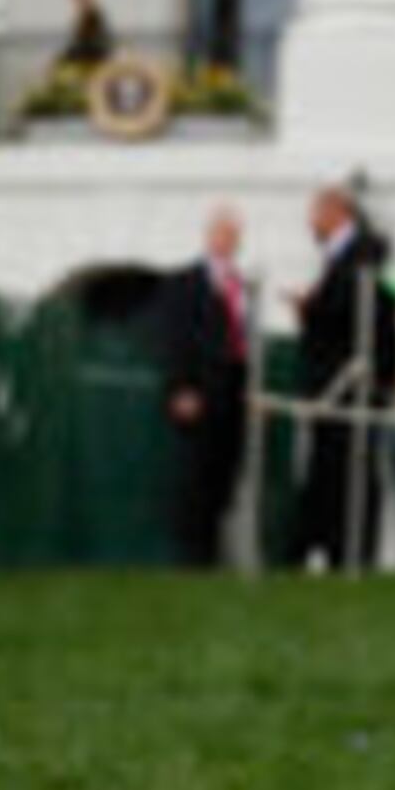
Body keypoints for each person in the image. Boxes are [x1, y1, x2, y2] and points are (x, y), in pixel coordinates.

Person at [287, 185, 395, 572]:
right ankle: (326, 548)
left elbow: (361, 314)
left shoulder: (361, 256)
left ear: (336, 212)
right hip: (335, 385)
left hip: (350, 385)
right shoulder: (342, 257)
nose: (309, 223)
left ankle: (349, 551)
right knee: (330, 470)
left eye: (314, 213)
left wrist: (311, 310)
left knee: (350, 470)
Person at [157, 204, 254, 570]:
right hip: (199, 396)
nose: (229, 242)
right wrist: (181, 387)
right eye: (224, 234)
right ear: (209, 236)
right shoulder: (184, 283)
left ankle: (213, 558)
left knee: (223, 480)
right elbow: (174, 339)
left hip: (233, 397)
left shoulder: (241, 284)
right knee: (194, 479)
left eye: (235, 235)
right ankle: (190, 559)